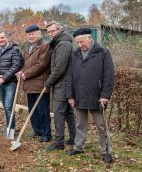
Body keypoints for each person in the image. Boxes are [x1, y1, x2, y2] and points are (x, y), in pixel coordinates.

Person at [66, 28, 114, 163]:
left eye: (82, 41)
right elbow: (70, 76)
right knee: (80, 124)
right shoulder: (75, 55)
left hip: (97, 97)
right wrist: (70, 96)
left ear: (90, 38)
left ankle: (106, 152)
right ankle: (78, 147)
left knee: (101, 125)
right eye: (77, 42)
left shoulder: (103, 52)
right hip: (79, 95)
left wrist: (105, 95)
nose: (80, 45)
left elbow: (109, 76)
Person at [43, 21, 76, 150]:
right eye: (49, 32)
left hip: (62, 84)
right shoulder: (60, 43)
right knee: (68, 113)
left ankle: (59, 143)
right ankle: (74, 138)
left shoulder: (62, 44)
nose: (51, 34)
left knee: (59, 113)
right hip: (63, 84)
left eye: (53, 31)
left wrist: (48, 82)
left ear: (59, 30)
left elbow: (59, 68)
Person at [17, 25, 52, 142]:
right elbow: (25, 63)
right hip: (29, 84)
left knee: (43, 110)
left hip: (40, 84)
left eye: (33, 34)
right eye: (29, 35)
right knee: (32, 110)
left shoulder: (45, 46)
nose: (31, 36)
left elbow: (41, 65)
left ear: (38, 34)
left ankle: (46, 133)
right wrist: (21, 71)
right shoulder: (28, 47)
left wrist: (26, 74)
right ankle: (37, 130)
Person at [0, 30, 23, 135]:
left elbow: (16, 66)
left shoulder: (15, 49)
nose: (1, 40)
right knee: (5, 106)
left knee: (9, 106)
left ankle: (11, 129)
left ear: (7, 38)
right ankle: (9, 127)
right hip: (0, 83)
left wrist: (4, 78)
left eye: (2, 37)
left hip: (10, 83)